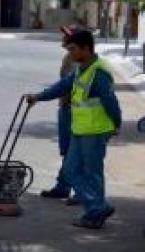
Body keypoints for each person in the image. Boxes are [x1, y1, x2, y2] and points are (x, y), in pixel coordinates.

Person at [26, 30, 121, 229]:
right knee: (70, 170)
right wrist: (38, 97)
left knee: (92, 172)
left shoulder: (99, 72)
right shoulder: (80, 69)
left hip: (95, 131)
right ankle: (97, 207)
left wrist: (117, 124)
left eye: (73, 49)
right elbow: (62, 86)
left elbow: (111, 101)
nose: (70, 53)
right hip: (80, 129)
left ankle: (94, 212)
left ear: (86, 49)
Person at [40, 24, 82, 203]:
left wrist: (40, 96)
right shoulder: (68, 57)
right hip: (66, 108)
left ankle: (80, 191)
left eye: (67, 36)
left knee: (76, 152)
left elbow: (66, 85)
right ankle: (63, 186)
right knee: (67, 150)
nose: (63, 38)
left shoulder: (79, 60)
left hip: (77, 110)